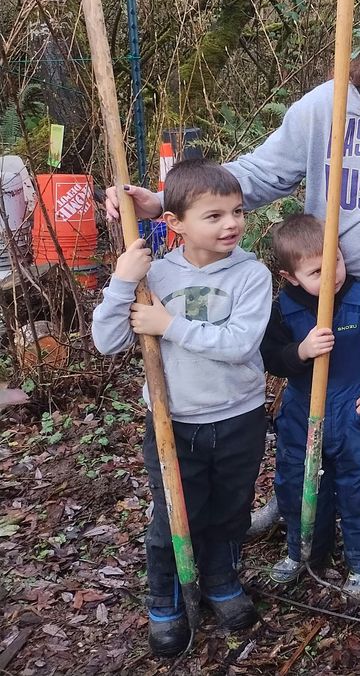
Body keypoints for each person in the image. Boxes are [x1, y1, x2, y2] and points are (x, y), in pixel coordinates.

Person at [106, 0, 360, 568]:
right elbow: (262, 173)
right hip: (323, 287)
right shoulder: (328, 104)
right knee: (313, 388)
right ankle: (295, 493)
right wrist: (162, 202)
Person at [92, 159, 272, 658]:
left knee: (231, 509)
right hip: (173, 422)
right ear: (175, 223)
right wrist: (123, 283)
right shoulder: (153, 275)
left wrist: (168, 325)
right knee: (174, 514)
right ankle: (166, 601)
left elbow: (239, 344)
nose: (231, 223)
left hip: (238, 417)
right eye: (214, 216)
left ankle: (220, 580)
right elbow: (107, 342)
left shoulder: (251, 275)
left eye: (237, 212)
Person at [260, 214, 360, 597]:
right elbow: (271, 356)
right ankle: (305, 551)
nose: (332, 276)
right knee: (300, 483)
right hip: (301, 414)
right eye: (316, 272)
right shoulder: (284, 308)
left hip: (353, 413)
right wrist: (301, 351)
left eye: (336, 262)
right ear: (291, 277)